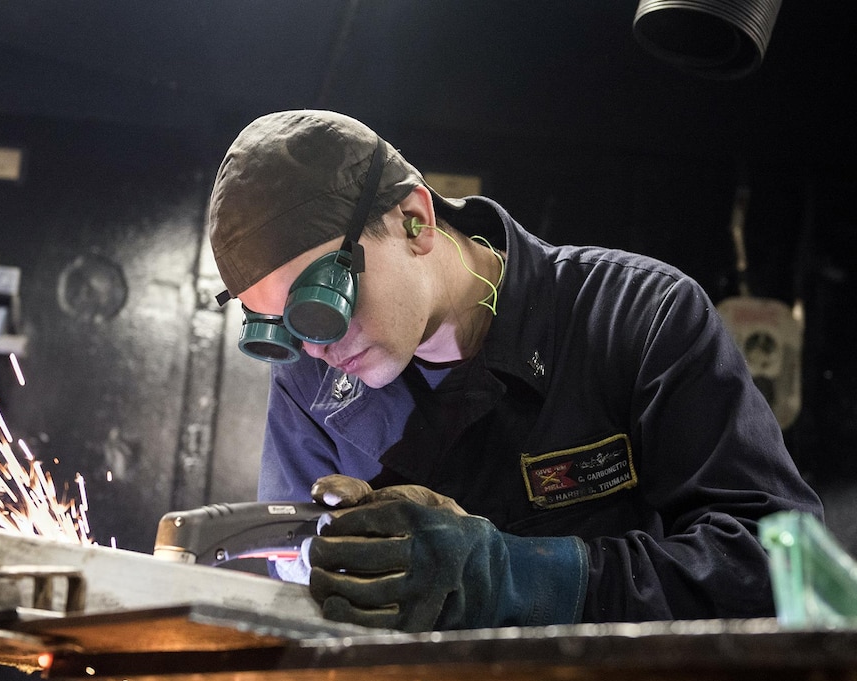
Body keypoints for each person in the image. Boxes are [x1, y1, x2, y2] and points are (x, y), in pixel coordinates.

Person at [207, 109, 823, 633]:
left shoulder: (636, 317)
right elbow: (292, 587)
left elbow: (776, 568)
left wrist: (522, 578)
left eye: (322, 305)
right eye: (282, 328)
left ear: (415, 221)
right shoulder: (310, 386)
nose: (316, 348)